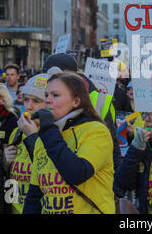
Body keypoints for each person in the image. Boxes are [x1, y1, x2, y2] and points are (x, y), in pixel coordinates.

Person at [23, 72, 115, 214]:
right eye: (46, 95)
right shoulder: (45, 136)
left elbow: (77, 173)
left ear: (76, 101)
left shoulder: (96, 131)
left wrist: (47, 129)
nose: (47, 100)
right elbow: (35, 195)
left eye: (55, 95)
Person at [2, 73, 50, 214]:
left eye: (36, 100)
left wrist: (32, 136)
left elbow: (49, 172)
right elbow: (10, 179)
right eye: (26, 99)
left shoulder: (54, 134)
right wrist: (4, 163)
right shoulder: (17, 131)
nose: (29, 106)